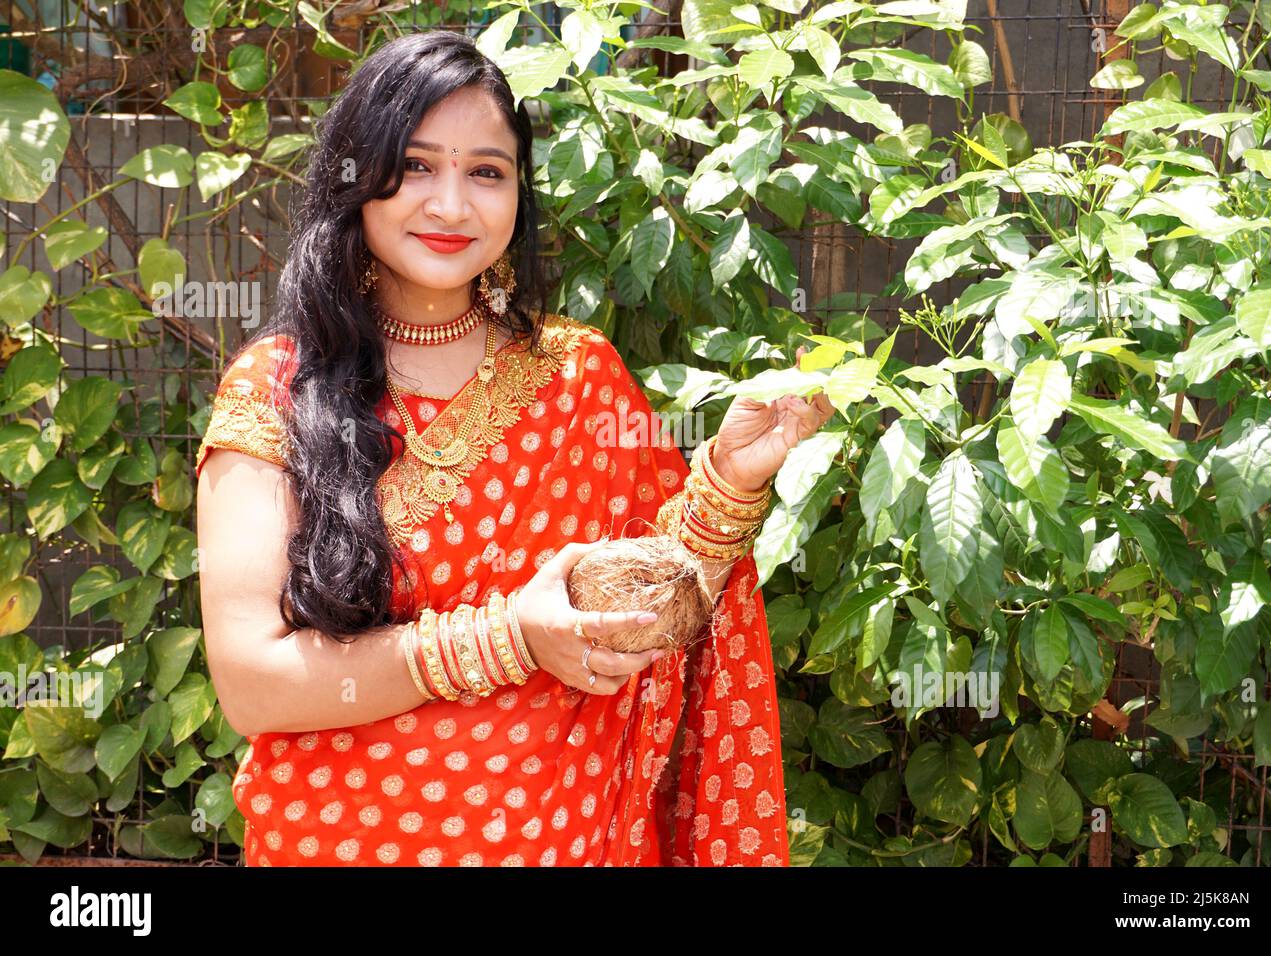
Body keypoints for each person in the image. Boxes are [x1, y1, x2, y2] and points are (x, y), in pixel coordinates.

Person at [194, 30, 835, 866]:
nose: (452, 205)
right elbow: (251, 686)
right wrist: (510, 640)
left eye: (486, 172)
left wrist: (729, 481)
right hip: (337, 843)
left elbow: (649, 607)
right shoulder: (276, 389)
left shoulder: (577, 375)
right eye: (418, 165)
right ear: (356, 177)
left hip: (560, 838)